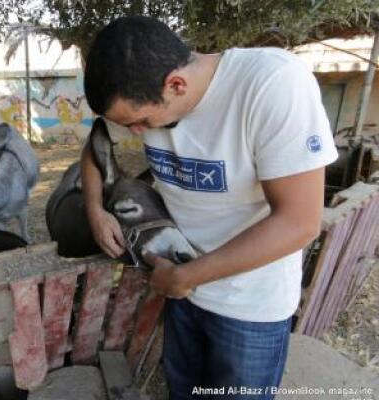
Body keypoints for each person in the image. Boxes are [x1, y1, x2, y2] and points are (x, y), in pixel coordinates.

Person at [81, 16, 338, 399]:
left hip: (250, 306)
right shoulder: (144, 96)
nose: (136, 132)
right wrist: (95, 209)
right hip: (183, 293)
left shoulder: (273, 84)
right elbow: (95, 148)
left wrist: (187, 277)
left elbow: (300, 222)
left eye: (141, 122)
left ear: (176, 84)